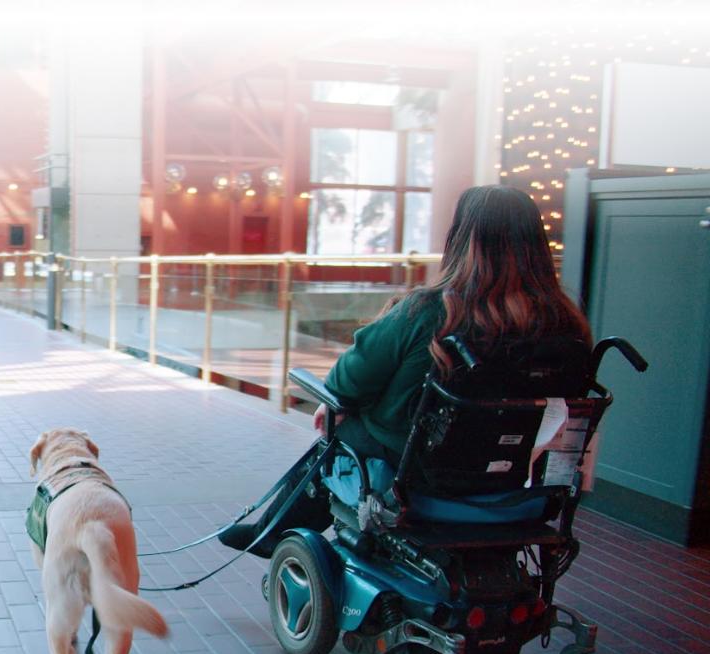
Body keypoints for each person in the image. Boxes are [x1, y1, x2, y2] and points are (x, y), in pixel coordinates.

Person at [221, 184, 593, 556]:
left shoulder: (430, 311)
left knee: (340, 431)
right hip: (518, 475)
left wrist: (336, 404)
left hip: (423, 469)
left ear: (461, 239)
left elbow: (350, 381)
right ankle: (270, 531)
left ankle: (272, 533)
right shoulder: (566, 323)